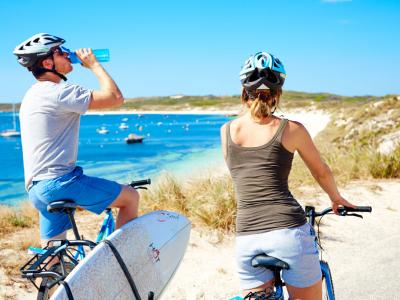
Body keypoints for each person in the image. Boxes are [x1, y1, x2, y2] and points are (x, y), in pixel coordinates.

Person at [220, 51, 356, 299]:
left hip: (246, 238)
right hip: (287, 232)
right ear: (278, 92)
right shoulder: (292, 129)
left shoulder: (226, 131)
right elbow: (321, 171)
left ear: (244, 90)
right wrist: (336, 198)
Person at [14, 33, 139, 246]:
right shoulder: (59, 92)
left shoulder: (32, 95)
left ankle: (52, 276)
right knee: (130, 198)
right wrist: (94, 65)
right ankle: (123, 257)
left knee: (54, 250)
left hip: (37, 188)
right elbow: (115, 98)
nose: (67, 54)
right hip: (60, 183)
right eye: (60, 52)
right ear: (47, 62)